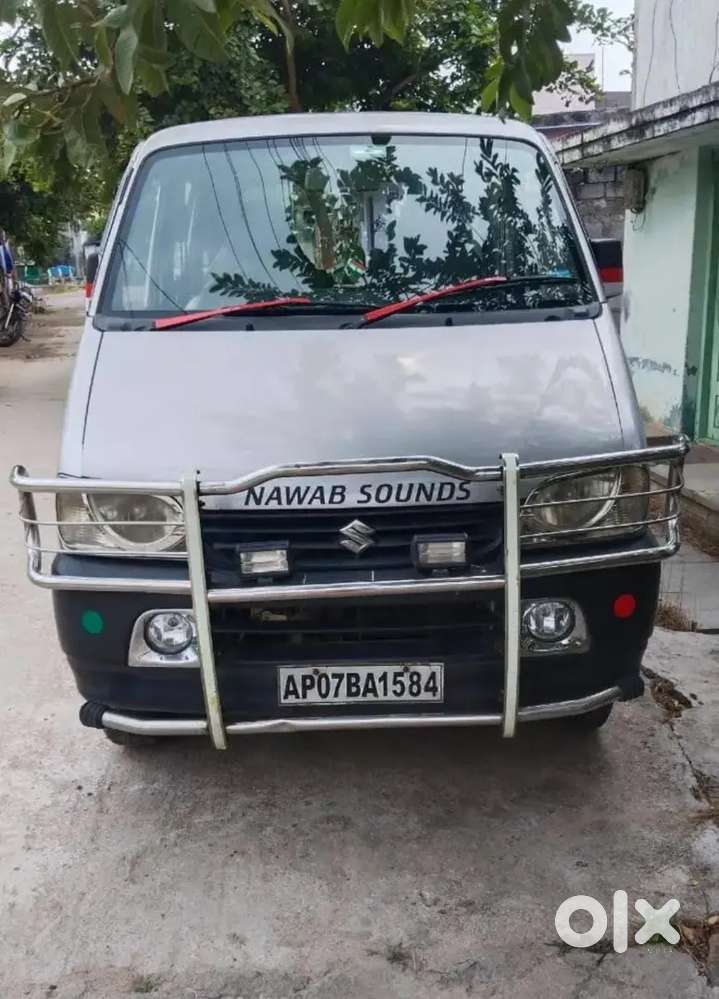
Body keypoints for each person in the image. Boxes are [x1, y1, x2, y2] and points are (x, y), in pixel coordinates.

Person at [0, 229, 15, 312]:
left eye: (3, 236)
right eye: (2, 237)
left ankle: (8, 312)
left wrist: (11, 275)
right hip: (4, 276)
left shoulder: (5, 248)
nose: (3, 238)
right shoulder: (2, 249)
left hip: (6, 276)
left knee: (7, 293)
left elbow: (10, 264)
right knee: (4, 294)